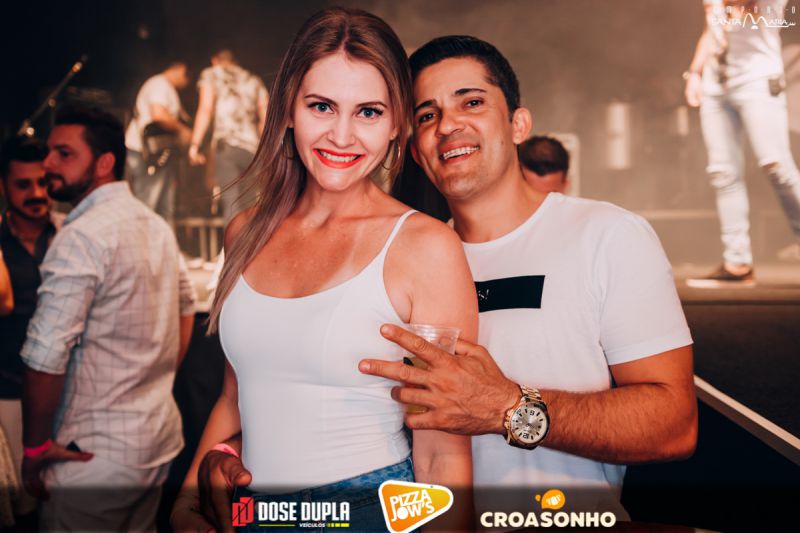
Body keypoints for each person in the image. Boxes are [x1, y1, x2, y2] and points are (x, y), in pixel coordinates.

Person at [171, 8, 476, 533]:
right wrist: (186, 502)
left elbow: (442, 456)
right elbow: (235, 395)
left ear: (397, 123)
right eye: (321, 106)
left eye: (368, 112)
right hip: (249, 513)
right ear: (289, 108)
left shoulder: (426, 248)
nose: (341, 135)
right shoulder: (245, 232)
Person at [20, 106, 196, 531]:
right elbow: (186, 309)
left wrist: (35, 447)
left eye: (64, 153)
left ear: (104, 163)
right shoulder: (155, 225)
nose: (48, 164)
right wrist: (152, 382)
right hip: (153, 441)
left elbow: (45, 355)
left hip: (91, 456)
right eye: (49, 152)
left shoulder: (81, 236)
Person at [684, 0, 800, 287]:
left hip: (757, 81)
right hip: (715, 85)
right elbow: (711, 28)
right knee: (722, 173)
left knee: (777, 167)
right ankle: (737, 263)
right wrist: (695, 72)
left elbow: (747, 12)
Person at [0, 135, 62, 521]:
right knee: (18, 511)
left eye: (43, 182)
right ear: (3, 186)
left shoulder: (72, 233)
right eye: (23, 185)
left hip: (63, 398)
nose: (37, 193)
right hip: (7, 397)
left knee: (61, 510)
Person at [188, 49, 269, 222]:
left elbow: (205, 109)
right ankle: (252, 240)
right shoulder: (253, 80)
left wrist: (195, 144)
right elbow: (265, 119)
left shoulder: (212, 74)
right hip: (252, 149)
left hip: (227, 147)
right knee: (250, 205)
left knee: (231, 203)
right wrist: (267, 151)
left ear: (214, 60)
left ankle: (233, 240)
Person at [125, 61, 192, 226]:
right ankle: (142, 241)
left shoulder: (164, 86)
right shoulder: (159, 84)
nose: (186, 84)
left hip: (160, 154)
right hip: (148, 154)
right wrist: (183, 130)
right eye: (187, 78)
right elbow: (159, 115)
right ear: (180, 70)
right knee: (149, 202)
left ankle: (163, 241)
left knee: (164, 205)